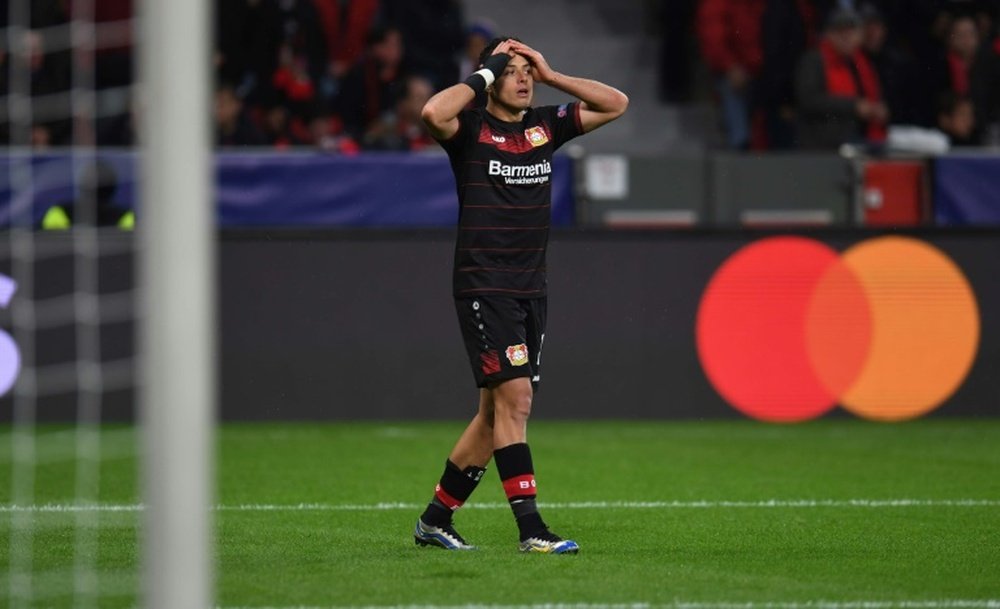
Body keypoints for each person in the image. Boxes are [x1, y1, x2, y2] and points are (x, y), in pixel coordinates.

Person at [413, 37, 628, 554]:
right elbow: (430, 111)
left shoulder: (545, 126)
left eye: (527, 70)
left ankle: (435, 520)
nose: (524, 77)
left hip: (531, 286)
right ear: (490, 76)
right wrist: (482, 76)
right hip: (485, 284)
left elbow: (615, 103)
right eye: (513, 70)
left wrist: (553, 74)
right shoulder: (469, 130)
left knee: (493, 413)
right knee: (518, 399)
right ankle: (532, 530)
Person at [794, 6, 889, 149]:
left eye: (851, 32)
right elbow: (809, 100)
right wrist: (853, 106)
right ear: (828, 34)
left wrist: (874, 109)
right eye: (840, 32)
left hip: (854, 140)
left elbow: (869, 96)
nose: (846, 38)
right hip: (821, 144)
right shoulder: (814, 60)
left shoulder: (859, 63)